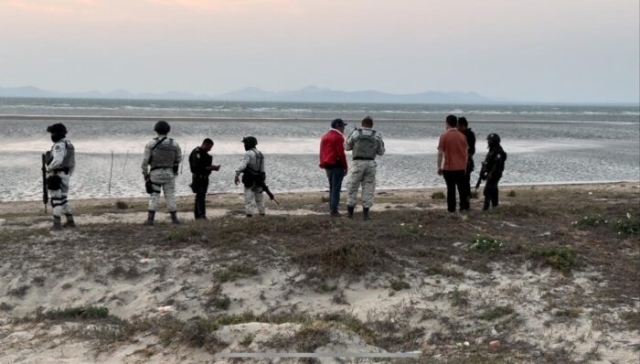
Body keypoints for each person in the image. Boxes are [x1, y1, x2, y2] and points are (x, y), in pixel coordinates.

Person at [141, 120, 182, 225]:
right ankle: (174, 218)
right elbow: (179, 159)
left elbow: (145, 161)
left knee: (154, 195)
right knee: (170, 195)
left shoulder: (151, 143)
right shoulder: (174, 143)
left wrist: (145, 173)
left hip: (155, 173)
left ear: (156, 130)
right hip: (169, 173)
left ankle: (150, 219)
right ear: (168, 130)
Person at [344, 116, 385, 220]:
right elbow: (381, 152)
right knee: (368, 188)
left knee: (352, 187)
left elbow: (346, 147)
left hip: (357, 163)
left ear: (362, 124)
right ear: (372, 125)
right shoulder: (377, 135)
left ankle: (350, 213)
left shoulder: (356, 133)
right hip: (371, 163)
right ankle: (366, 214)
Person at [45, 123, 76, 230]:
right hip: (66, 174)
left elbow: (58, 160)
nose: (51, 135)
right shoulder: (69, 144)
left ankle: (56, 225)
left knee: (56, 200)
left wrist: (49, 169)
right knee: (63, 199)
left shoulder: (59, 145)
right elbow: (72, 163)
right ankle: (70, 221)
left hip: (57, 175)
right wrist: (69, 174)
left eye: (53, 133)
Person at [437, 114, 469, 213]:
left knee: (451, 189)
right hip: (460, 167)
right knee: (461, 189)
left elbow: (440, 153)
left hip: (449, 167)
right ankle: (463, 207)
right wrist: (465, 166)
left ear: (447, 123)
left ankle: (451, 209)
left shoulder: (444, 136)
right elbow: (466, 152)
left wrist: (439, 167)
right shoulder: (462, 136)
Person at [319, 118, 348, 217]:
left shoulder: (325, 136)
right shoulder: (338, 137)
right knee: (336, 188)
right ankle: (334, 210)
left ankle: (332, 208)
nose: (344, 128)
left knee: (332, 187)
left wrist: (322, 163)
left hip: (328, 165)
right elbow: (341, 154)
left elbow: (322, 152)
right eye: (343, 126)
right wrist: (345, 166)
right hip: (337, 165)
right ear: (338, 126)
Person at [234, 136, 266, 217]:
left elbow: (243, 165)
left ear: (249, 144)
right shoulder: (261, 154)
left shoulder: (248, 153)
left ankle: (249, 215)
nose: (244, 145)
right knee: (260, 199)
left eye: (245, 143)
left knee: (249, 198)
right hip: (259, 179)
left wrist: (237, 174)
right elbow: (262, 169)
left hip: (250, 179)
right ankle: (262, 213)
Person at [189, 138, 220, 220]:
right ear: (205, 144)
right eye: (209, 147)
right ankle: (201, 216)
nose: (210, 149)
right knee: (200, 196)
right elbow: (196, 167)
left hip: (205, 177)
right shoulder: (197, 153)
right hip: (198, 177)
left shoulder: (205, 155)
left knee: (201, 196)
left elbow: (204, 166)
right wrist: (210, 168)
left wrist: (212, 168)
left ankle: (199, 215)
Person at [480, 133, 507, 211]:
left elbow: (497, 165)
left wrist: (491, 174)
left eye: (489, 141)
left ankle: (486, 208)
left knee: (488, 190)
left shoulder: (498, 151)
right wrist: (484, 172)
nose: (488, 142)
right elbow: (488, 162)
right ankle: (495, 206)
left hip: (495, 174)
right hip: (491, 173)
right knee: (493, 189)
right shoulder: (492, 150)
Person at [457, 117, 476, 204]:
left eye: (458, 126)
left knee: (465, 182)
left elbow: (471, 150)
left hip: (467, 161)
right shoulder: (465, 134)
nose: (457, 128)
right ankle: (464, 201)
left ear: (462, 125)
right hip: (465, 160)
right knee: (464, 182)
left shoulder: (469, 134)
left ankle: (466, 201)